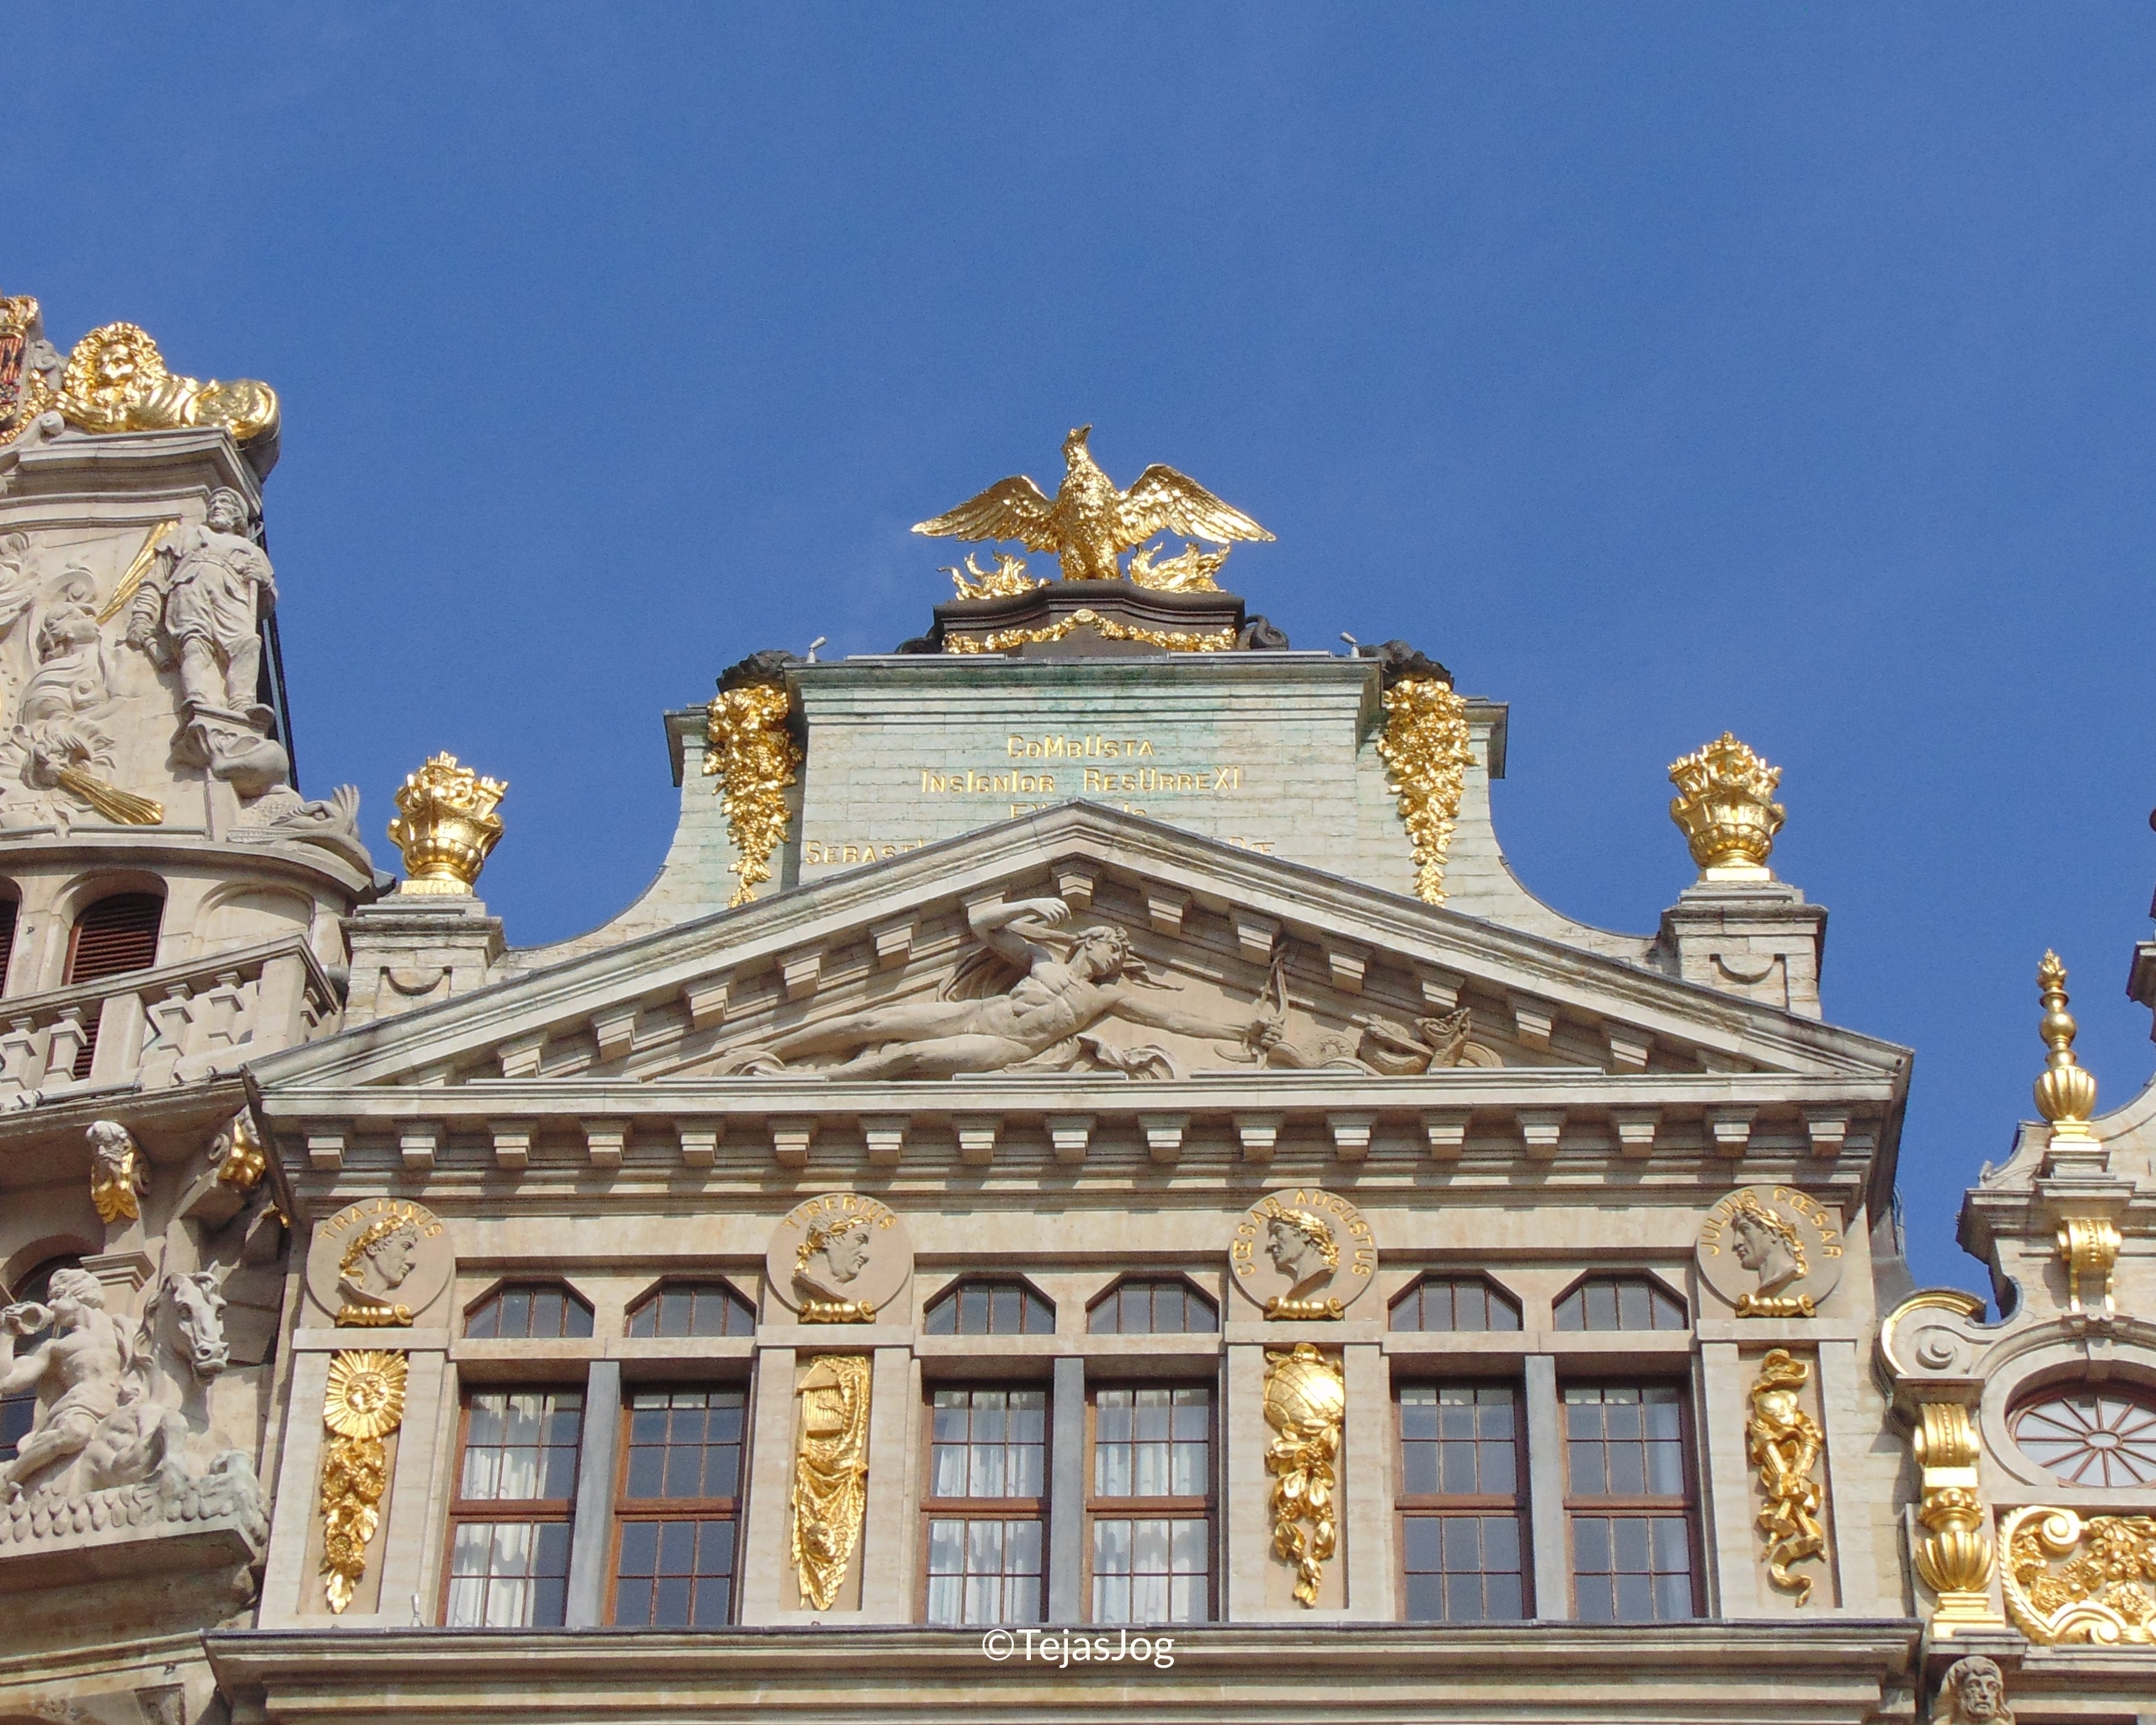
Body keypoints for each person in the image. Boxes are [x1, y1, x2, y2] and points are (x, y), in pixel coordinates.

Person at [734, 897, 1262, 1080]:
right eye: (1113, 949)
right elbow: (985, 926)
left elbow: (1171, 1021)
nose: (1116, 959)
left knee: (911, 1057)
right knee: (868, 1023)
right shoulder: (1042, 959)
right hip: (977, 1013)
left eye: (1121, 957)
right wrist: (1026, 909)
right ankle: (770, 1053)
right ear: (1091, 942)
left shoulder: (1104, 999)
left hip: (1005, 1045)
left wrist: (1237, 1027)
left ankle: (827, 1086)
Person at [124, 488, 274, 713]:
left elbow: (268, 601)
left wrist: (264, 582)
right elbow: (155, 580)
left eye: (225, 503)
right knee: (193, 643)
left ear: (237, 516)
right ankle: (198, 698)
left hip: (231, 600)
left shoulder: (252, 551)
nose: (216, 506)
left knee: (248, 643)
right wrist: (142, 615)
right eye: (214, 502)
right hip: (189, 590)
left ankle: (242, 702)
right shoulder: (185, 535)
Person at [0, 1268, 129, 1498]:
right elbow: (7, 1381)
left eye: (57, 1296)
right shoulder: (55, 1347)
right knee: (75, 1433)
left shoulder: (122, 1328)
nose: (50, 1305)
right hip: (78, 1406)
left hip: (118, 1403)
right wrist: (8, 1332)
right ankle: (9, 1478)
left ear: (76, 1295)